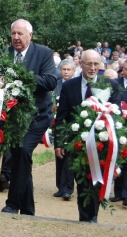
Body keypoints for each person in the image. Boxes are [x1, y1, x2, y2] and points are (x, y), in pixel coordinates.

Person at [54, 50, 120, 223]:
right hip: (77, 144)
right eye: (88, 64)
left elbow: (117, 116)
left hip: (102, 143)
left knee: (97, 181)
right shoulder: (69, 86)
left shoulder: (110, 85)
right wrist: (59, 142)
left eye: (96, 64)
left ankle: (94, 216)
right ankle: (85, 218)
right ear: (80, 64)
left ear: (101, 66)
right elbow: (62, 117)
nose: (92, 68)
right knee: (82, 181)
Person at [1, 19, 57, 215]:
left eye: (20, 34)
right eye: (13, 34)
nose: (16, 37)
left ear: (30, 35)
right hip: (15, 119)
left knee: (23, 151)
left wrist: (22, 77)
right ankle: (27, 210)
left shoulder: (43, 53)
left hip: (37, 117)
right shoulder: (6, 54)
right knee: (20, 158)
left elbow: (50, 81)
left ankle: (12, 204)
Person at [53, 59, 76, 201]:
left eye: (69, 69)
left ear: (74, 71)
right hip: (58, 122)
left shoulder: (76, 85)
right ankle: (60, 187)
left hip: (72, 124)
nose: (66, 72)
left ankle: (68, 188)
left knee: (69, 157)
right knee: (59, 154)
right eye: (64, 69)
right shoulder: (55, 85)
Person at [111, 60, 127, 206]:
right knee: (120, 159)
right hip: (119, 125)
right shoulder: (116, 83)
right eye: (126, 69)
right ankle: (118, 193)